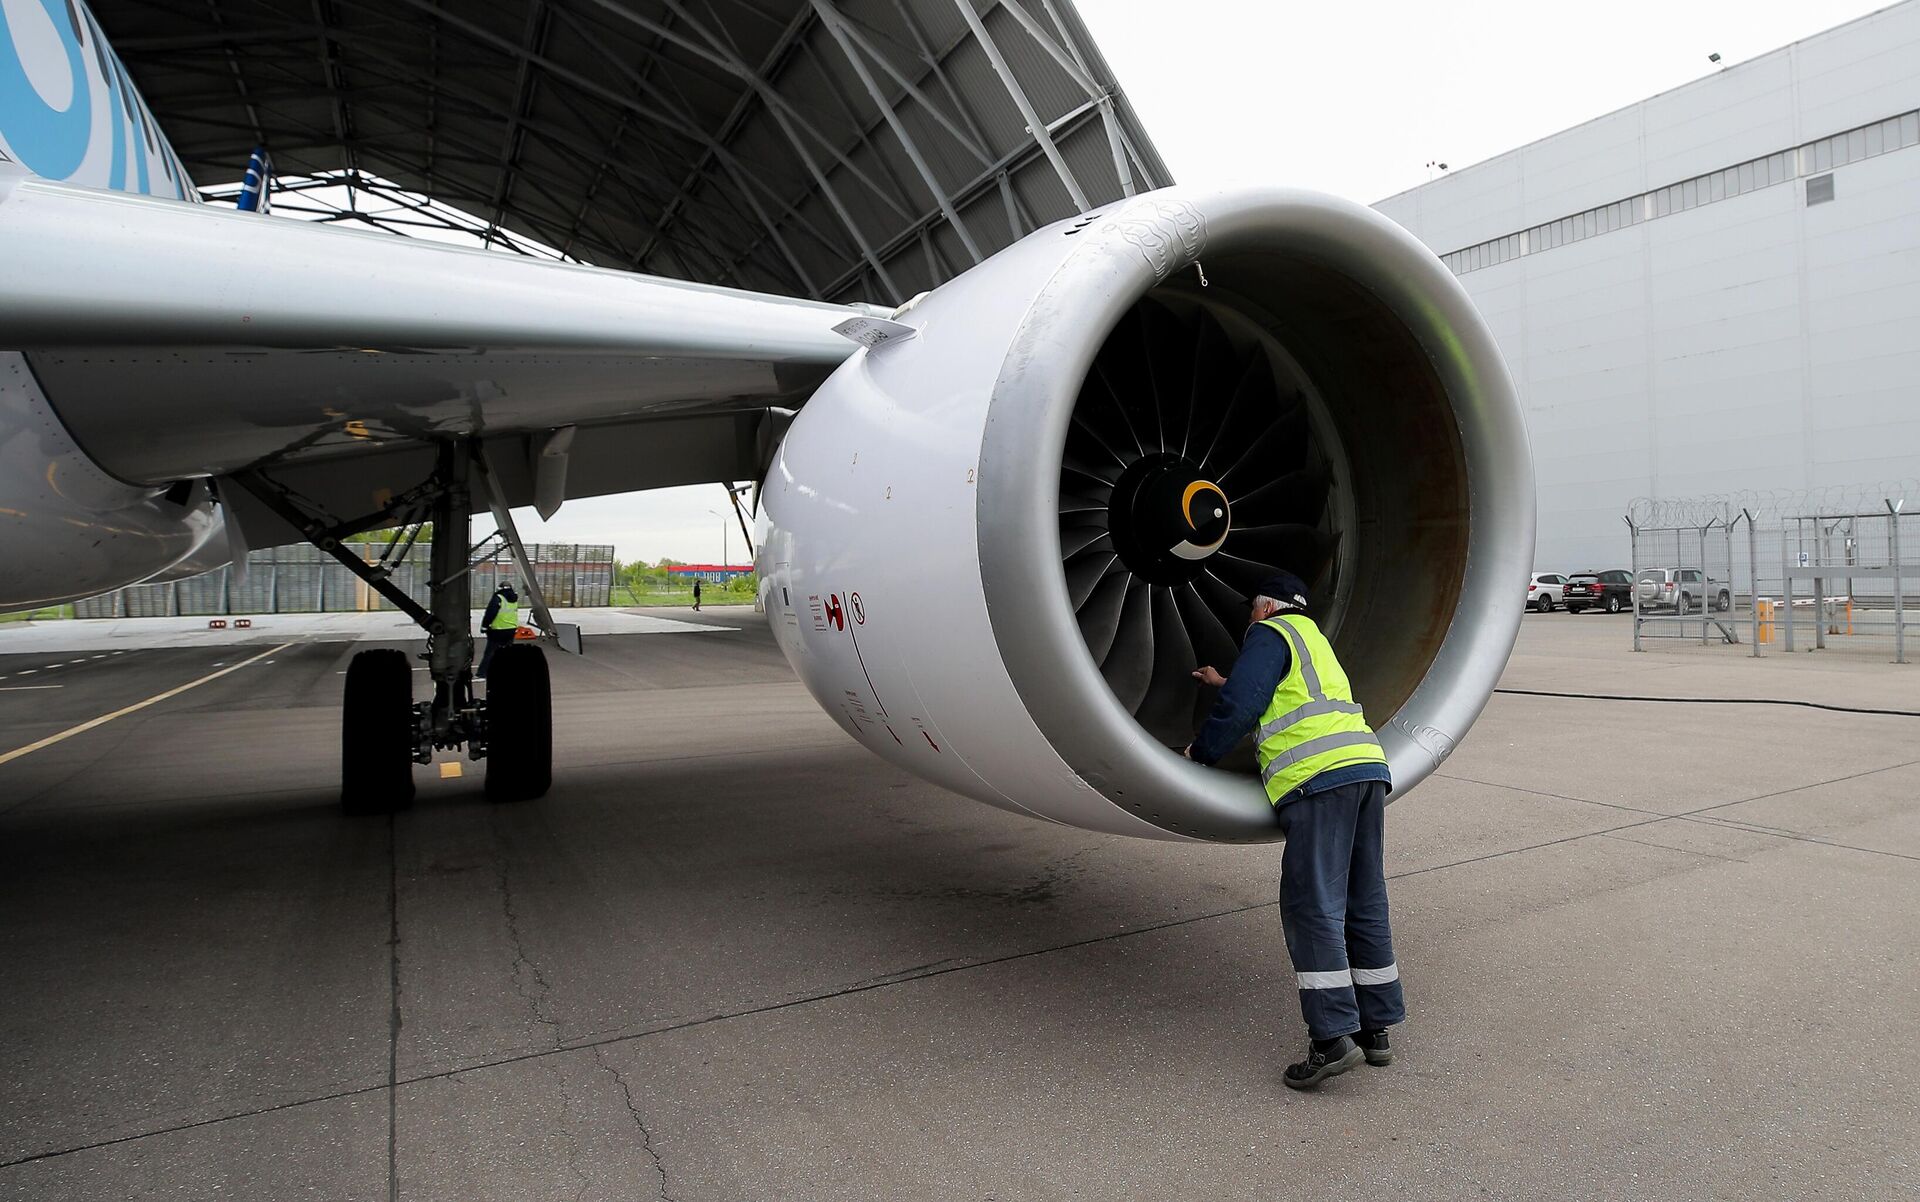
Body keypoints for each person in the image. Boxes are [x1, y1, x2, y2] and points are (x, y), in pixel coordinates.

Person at [1184, 570, 1403, 1090]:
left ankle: (1330, 1040)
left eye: (1249, 613)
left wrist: (1201, 752)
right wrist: (1226, 679)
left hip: (1316, 780)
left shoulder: (1269, 634)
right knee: (1362, 898)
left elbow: (1246, 702)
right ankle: (1376, 1029)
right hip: (1365, 769)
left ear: (1264, 608)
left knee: (1312, 905)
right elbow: (1285, 694)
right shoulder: (1313, 640)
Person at [478, 582, 520, 678]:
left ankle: (483, 672)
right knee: (507, 652)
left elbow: (490, 613)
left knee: (490, 652)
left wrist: (484, 626)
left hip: (498, 629)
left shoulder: (498, 598)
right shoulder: (514, 599)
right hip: (511, 629)